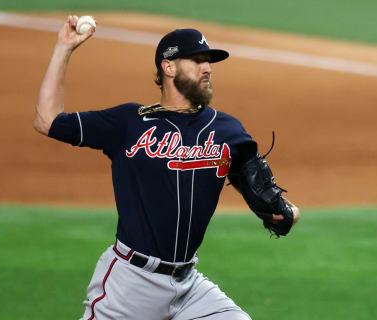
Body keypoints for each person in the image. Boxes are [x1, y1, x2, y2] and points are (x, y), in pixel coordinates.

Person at [34, 16, 300, 320]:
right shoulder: (128, 123)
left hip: (188, 287)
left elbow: (269, 199)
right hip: (131, 284)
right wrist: (64, 48)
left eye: (209, 62)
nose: (207, 68)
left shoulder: (228, 131)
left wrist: (285, 213)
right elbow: (47, 120)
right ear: (168, 66)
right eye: (197, 60)